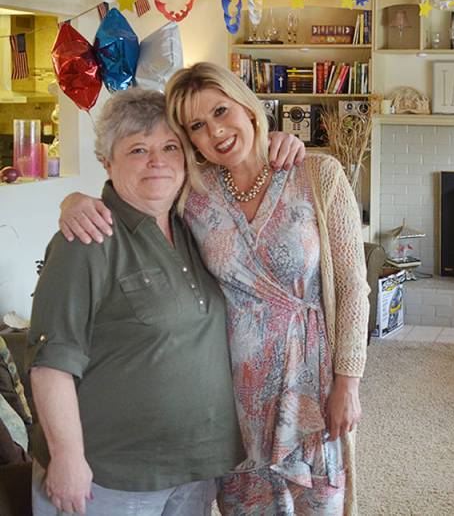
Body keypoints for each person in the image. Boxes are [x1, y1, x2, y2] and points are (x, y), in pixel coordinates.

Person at [59, 63, 370, 516]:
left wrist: (349, 383)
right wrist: (74, 200)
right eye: (197, 126)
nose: (216, 132)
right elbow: (135, 191)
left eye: (221, 111)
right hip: (232, 398)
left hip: (314, 384)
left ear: (247, 105)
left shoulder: (319, 174)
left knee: (320, 505)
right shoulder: (194, 192)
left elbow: (352, 288)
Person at [29, 88, 244, 515]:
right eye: (138, 150)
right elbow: (51, 362)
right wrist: (67, 457)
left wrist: (280, 142)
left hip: (195, 468)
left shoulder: (198, 225)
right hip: (110, 476)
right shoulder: (86, 239)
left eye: (170, 147)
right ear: (107, 161)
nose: (157, 161)